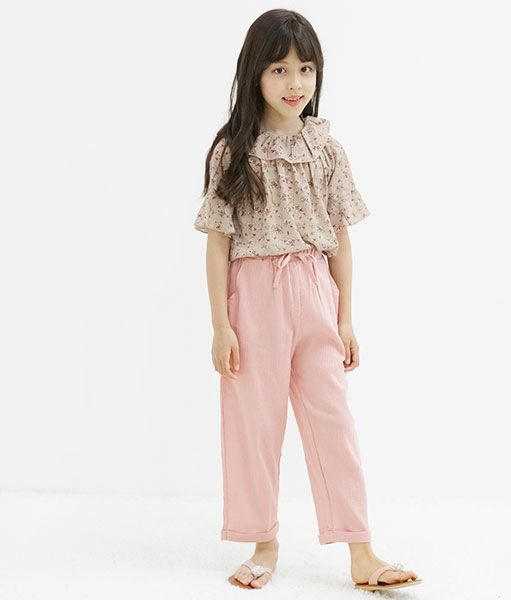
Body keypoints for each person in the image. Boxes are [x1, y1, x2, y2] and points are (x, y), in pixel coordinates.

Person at [193, 8, 421, 592]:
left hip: (315, 289)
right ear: (254, 74)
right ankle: (262, 543)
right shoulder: (233, 152)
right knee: (254, 424)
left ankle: (361, 553)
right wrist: (221, 324)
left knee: (333, 422)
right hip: (253, 299)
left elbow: (340, 238)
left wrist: (345, 318)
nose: (295, 82)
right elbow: (218, 243)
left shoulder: (328, 150)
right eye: (279, 69)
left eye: (306, 69)